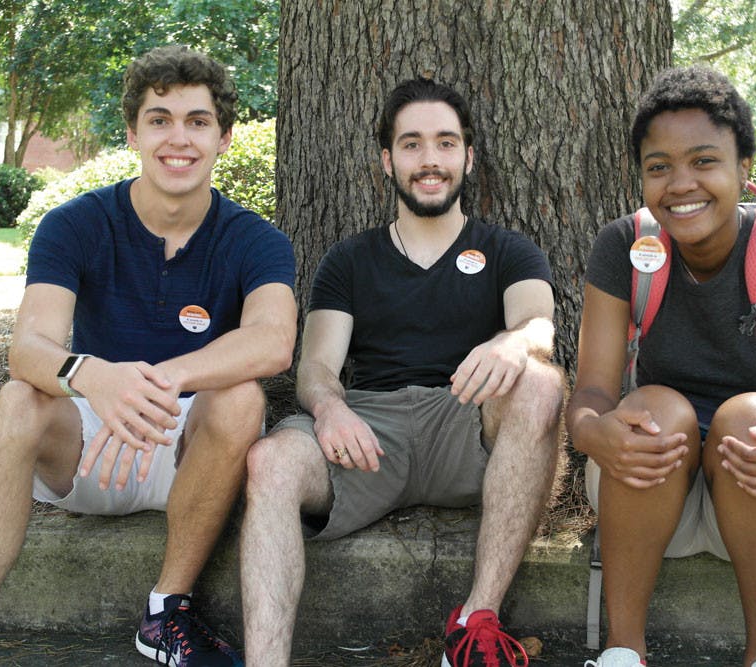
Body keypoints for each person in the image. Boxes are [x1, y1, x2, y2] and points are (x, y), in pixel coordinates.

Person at [0, 45, 297, 667]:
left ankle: (166, 611)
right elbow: (29, 348)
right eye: (159, 119)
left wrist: (163, 379)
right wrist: (92, 375)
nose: (178, 139)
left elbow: (273, 341)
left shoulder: (256, 239)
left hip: (194, 452)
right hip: (92, 442)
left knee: (240, 397)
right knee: (20, 399)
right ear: (133, 133)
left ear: (225, 138)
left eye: (197, 121)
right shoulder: (74, 224)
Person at [239, 77, 564, 667]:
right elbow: (316, 365)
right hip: (367, 435)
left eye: (445, 142)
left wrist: (513, 344)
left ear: (468, 155)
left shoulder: (508, 250)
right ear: (387, 161)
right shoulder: (349, 259)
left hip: (462, 424)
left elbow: (540, 324)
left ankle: (474, 625)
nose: (430, 159)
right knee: (270, 462)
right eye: (412, 144)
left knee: (541, 380)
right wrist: (331, 407)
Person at [567, 65, 756, 667]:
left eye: (704, 161)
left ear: (744, 167)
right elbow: (592, 392)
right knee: (652, 412)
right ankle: (623, 653)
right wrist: (597, 434)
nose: (681, 184)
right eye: (658, 167)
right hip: (649, 489)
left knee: (755, 418)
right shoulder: (622, 247)